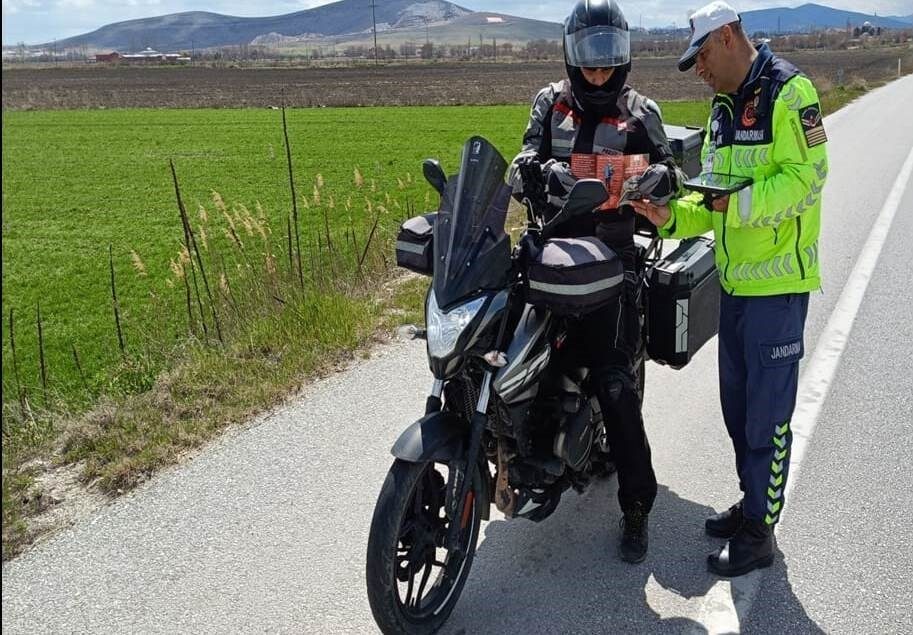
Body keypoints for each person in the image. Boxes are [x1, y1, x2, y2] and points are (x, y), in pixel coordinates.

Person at [631, 0, 828, 576]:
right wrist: (670, 216)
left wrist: (736, 204)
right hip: (734, 286)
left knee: (768, 417)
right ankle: (750, 506)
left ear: (725, 37)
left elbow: (808, 178)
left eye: (700, 58)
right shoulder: (722, 109)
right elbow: (713, 201)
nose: (698, 71)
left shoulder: (792, 93)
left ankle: (760, 535)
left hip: (779, 287)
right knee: (739, 411)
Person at [508, 0, 683, 564]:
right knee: (497, 351)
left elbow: (673, 172)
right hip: (547, 251)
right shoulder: (548, 103)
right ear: (571, 55)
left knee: (613, 385)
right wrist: (535, 170)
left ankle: (636, 508)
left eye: (609, 61)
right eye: (590, 61)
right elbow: (518, 163)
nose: (600, 73)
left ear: (624, 57)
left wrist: (661, 177)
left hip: (612, 260)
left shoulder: (640, 110)